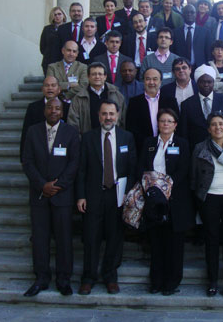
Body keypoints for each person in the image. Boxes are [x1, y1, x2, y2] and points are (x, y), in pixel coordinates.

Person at [77, 100, 137, 295]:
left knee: (115, 237)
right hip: (94, 195)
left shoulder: (127, 137)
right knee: (91, 237)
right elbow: (81, 170)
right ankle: (88, 277)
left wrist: (128, 193)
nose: (108, 117)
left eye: (111, 114)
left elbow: (132, 168)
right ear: (98, 116)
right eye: (104, 114)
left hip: (117, 196)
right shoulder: (88, 138)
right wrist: (81, 196)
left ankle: (110, 276)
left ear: (118, 115)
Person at [22, 98, 80, 297]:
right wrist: (42, 185)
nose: (53, 111)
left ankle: (63, 279)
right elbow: (27, 161)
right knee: (40, 238)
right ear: (44, 110)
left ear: (62, 112)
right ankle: (41, 278)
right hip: (39, 194)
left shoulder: (71, 133)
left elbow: (74, 163)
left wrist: (58, 185)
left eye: (57, 108)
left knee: (64, 238)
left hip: (62, 195)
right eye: (50, 107)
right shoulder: (32, 132)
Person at [138, 108, 194, 295]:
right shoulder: (149, 143)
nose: (166, 124)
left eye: (170, 121)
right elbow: (143, 167)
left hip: (175, 200)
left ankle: (172, 282)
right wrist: (153, 189)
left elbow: (184, 170)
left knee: (174, 244)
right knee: (156, 243)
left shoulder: (182, 144)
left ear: (175, 125)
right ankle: (156, 281)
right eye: (162, 121)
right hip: (153, 200)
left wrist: (166, 187)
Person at [191, 111, 223, 298]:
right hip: (209, 198)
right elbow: (194, 175)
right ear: (208, 128)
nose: (218, 127)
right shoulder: (200, 148)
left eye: (221, 124)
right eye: (214, 124)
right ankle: (212, 281)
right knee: (211, 240)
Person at [179, 64, 223, 152]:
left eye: (209, 82)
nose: (206, 85)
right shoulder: (186, 104)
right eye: (202, 82)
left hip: (222, 149)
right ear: (197, 83)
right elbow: (184, 132)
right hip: (196, 151)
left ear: (213, 83)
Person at [126, 68, 179, 153]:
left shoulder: (171, 101)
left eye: (155, 79)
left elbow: (176, 125)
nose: (151, 82)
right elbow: (131, 128)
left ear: (160, 81)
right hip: (142, 149)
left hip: (168, 147)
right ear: (143, 81)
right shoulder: (134, 102)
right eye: (148, 79)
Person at [20, 76, 69, 162]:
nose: (50, 88)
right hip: (38, 154)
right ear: (42, 89)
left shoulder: (67, 107)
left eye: (53, 85)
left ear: (59, 89)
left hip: (61, 154)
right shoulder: (33, 107)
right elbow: (26, 132)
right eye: (47, 85)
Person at [67, 62, 126, 134]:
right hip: (88, 141)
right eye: (94, 74)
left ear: (105, 76)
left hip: (112, 140)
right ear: (88, 77)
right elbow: (73, 123)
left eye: (100, 74)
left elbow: (123, 120)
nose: (97, 77)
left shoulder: (116, 95)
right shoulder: (79, 98)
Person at [172, 5, 211, 69]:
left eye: (192, 12)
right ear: (182, 14)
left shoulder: (205, 32)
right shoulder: (175, 32)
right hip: (181, 69)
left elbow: (208, 52)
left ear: (196, 14)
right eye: (187, 12)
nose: (189, 14)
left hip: (200, 68)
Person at [40, 6, 66, 75]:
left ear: (63, 15)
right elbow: (42, 46)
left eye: (59, 14)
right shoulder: (47, 29)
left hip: (64, 62)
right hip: (49, 61)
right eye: (55, 14)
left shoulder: (67, 28)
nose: (57, 16)